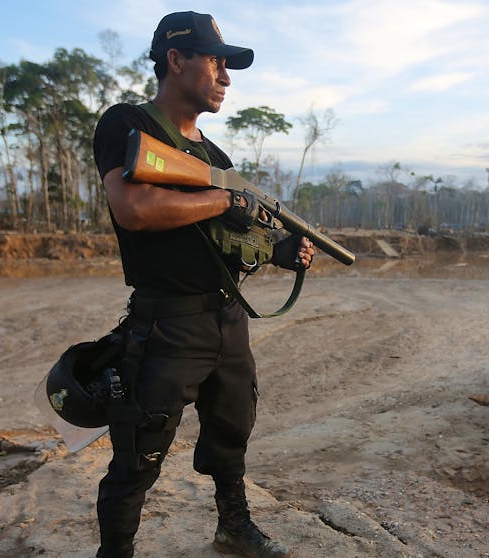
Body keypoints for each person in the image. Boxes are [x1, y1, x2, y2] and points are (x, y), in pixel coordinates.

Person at [91, 11, 313, 558]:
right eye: (216, 61)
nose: (226, 77)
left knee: (232, 430)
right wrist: (228, 199)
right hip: (166, 323)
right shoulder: (126, 125)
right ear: (175, 60)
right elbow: (135, 210)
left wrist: (280, 250)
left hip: (225, 319)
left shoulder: (217, 159)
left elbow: (227, 244)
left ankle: (232, 527)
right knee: (139, 452)